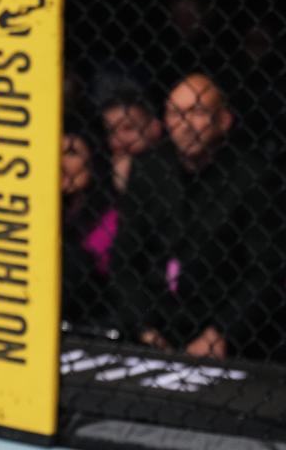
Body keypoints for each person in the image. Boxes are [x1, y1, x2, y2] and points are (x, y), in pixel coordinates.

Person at [110, 73, 279, 360]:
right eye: (175, 114)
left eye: (197, 111)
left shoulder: (252, 176)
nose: (185, 124)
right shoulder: (149, 169)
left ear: (223, 120)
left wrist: (221, 333)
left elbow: (266, 269)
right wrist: (144, 327)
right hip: (157, 319)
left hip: (223, 325)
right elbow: (124, 259)